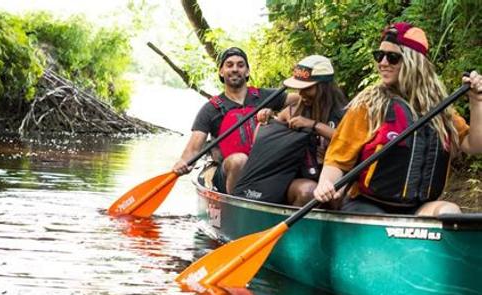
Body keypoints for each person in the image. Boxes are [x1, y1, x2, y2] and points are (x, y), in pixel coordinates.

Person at [313, 22, 482, 216]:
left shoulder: (440, 110)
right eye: (379, 56)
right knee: (379, 222)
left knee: (449, 210)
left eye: (392, 57)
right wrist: (326, 183)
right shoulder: (369, 105)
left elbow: (475, 145)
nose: (383, 63)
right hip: (369, 206)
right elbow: (336, 160)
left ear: (414, 62)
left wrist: (477, 101)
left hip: (416, 209)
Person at [172, 47, 298, 194]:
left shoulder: (265, 96)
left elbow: (302, 100)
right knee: (239, 160)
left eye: (240, 65)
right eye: (229, 65)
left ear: (247, 71)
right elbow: (193, 149)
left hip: (264, 168)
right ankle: (236, 204)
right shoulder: (210, 109)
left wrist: (280, 117)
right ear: (221, 71)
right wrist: (183, 163)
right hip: (228, 171)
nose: (235, 69)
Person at [236, 55, 347, 206]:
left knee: (338, 196)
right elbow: (258, 143)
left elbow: (348, 141)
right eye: (299, 89)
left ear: (323, 87)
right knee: (308, 191)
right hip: (294, 178)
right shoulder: (293, 111)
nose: (301, 94)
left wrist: (313, 125)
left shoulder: (345, 113)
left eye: (307, 89)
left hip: (332, 178)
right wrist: (265, 121)